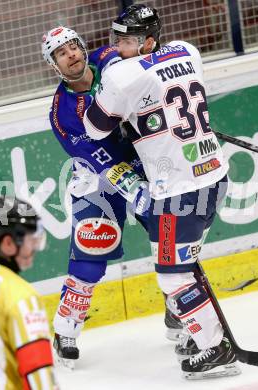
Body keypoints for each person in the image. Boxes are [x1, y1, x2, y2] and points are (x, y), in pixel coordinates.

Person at [83, 4, 240, 380]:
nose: (119, 46)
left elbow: (94, 128)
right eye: (116, 39)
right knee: (182, 263)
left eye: (128, 40)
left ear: (149, 40)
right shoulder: (188, 50)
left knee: (172, 275)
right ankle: (195, 329)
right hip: (214, 175)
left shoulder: (121, 74)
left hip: (177, 192)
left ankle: (214, 348)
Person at [41, 26, 182, 368]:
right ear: (54, 65)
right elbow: (95, 157)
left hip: (145, 159)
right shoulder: (62, 112)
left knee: (173, 239)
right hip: (96, 180)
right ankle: (66, 329)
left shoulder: (111, 59)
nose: (72, 54)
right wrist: (132, 186)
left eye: (74, 46)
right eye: (61, 52)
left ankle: (180, 310)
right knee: (93, 247)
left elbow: (153, 69)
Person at [0, 196, 59, 389]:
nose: (35, 249)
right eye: (31, 241)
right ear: (8, 244)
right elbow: (39, 376)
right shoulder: (20, 297)